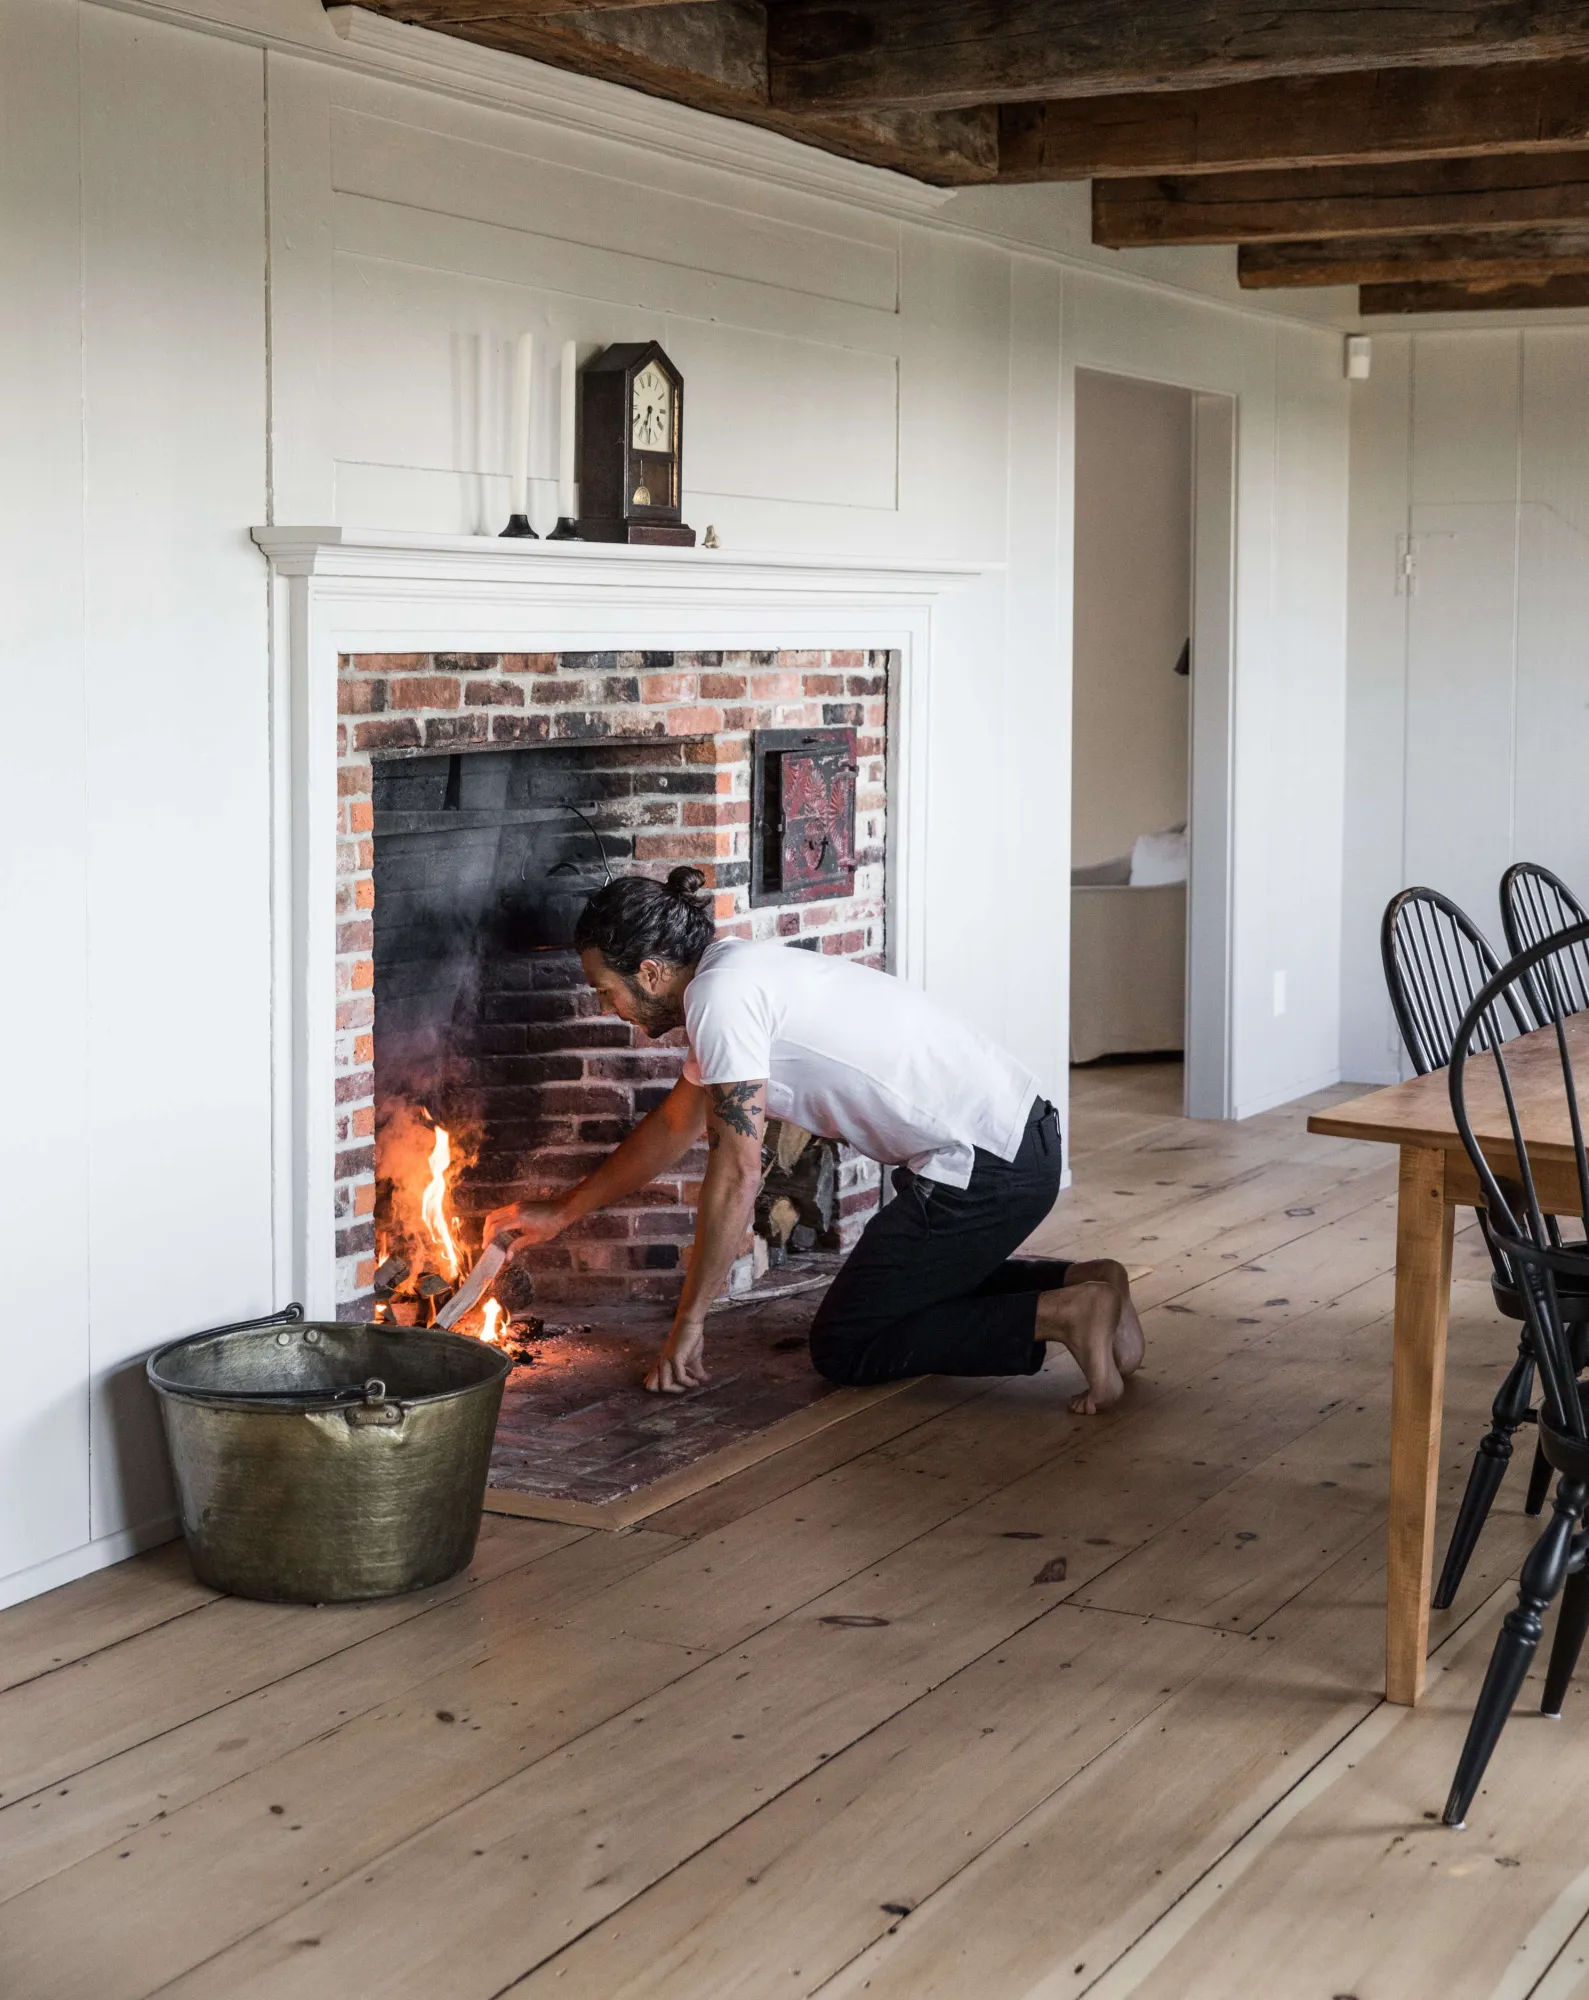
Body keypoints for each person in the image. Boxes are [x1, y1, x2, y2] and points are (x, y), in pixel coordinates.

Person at [483, 867, 1143, 1407]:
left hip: (987, 1168)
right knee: (895, 1295)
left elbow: (737, 1173)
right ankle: (1087, 1281)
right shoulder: (730, 978)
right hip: (1014, 1140)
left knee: (848, 1345)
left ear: (651, 972)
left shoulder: (721, 1000)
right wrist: (563, 1211)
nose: (608, 1009)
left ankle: (1060, 1315)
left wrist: (689, 1322)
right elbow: (674, 1124)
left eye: (605, 992)